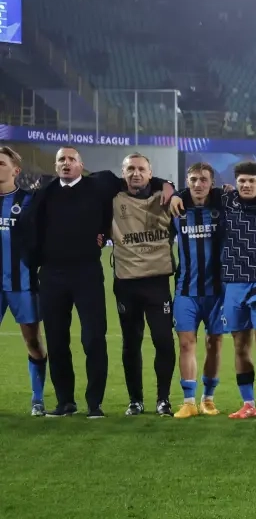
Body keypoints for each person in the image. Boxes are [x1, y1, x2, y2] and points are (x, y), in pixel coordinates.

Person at [22, 146, 172, 418]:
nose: (66, 164)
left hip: (87, 273)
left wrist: (168, 185)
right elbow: (31, 231)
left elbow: (141, 178)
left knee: (93, 338)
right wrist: (34, 266)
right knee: (56, 340)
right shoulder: (44, 194)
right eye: (61, 160)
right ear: (56, 166)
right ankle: (65, 402)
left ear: (82, 164)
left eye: (71, 159)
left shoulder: (99, 184)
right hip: (52, 275)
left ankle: (95, 404)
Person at [175, 161, 256, 419]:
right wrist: (175, 194)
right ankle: (247, 403)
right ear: (235, 183)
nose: (246, 185)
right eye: (242, 181)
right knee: (239, 346)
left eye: (251, 181)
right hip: (233, 284)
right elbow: (193, 189)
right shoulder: (227, 200)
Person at [110, 153, 177, 417]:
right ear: (122, 173)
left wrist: (169, 186)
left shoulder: (167, 198)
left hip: (157, 282)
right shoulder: (111, 199)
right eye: (130, 169)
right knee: (131, 342)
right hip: (126, 283)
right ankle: (135, 400)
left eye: (141, 169)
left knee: (163, 341)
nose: (136, 173)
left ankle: (163, 399)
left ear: (151, 174)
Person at [171, 162, 225, 419]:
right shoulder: (176, 207)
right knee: (186, 343)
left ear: (211, 183)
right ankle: (189, 401)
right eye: (193, 179)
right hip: (186, 289)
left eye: (203, 179)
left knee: (214, 343)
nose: (198, 184)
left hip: (218, 291)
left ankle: (209, 399)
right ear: (187, 181)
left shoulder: (223, 206)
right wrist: (170, 192)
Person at [0, 146, 48, 416]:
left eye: (1, 163)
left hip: (23, 283)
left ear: (15, 170)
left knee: (32, 342)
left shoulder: (30, 201)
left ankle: (37, 399)